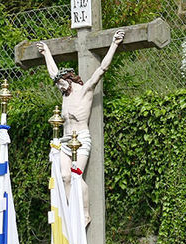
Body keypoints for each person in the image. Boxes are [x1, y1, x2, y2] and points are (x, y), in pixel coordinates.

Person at [37, 29, 125, 219]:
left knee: (76, 176)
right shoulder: (65, 95)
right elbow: (53, 73)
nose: (59, 85)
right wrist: (46, 53)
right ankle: (69, 213)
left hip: (81, 140)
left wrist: (114, 44)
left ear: (70, 80)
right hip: (65, 141)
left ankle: (84, 213)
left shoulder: (85, 91)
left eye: (61, 82)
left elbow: (102, 69)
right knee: (64, 177)